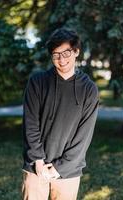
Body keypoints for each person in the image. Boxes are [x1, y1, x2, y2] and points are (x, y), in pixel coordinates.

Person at [22, 28, 99, 200]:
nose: (62, 59)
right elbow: (30, 123)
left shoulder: (89, 89)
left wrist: (59, 168)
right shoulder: (38, 82)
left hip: (69, 171)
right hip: (36, 167)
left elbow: (84, 136)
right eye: (56, 55)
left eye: (66, 53)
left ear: (76, 51)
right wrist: (38, 161)